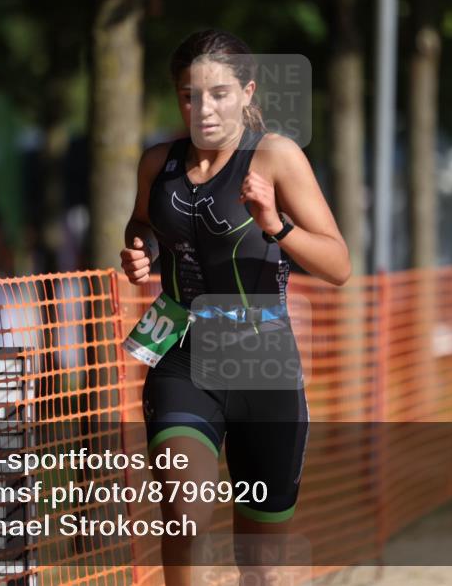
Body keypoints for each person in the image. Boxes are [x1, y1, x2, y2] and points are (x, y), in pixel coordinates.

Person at [120, 29, 350, 586]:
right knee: (183, 510)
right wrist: (140, 249)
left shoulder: (275, 157)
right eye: (190, 96)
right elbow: (142, 224)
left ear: (247, 92)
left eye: (219, 94)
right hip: (180, 351)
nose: (205, 109)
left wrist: (277, 225)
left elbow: (338, 264)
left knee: (262, 567)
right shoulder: (158, 164)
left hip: (262, 366)